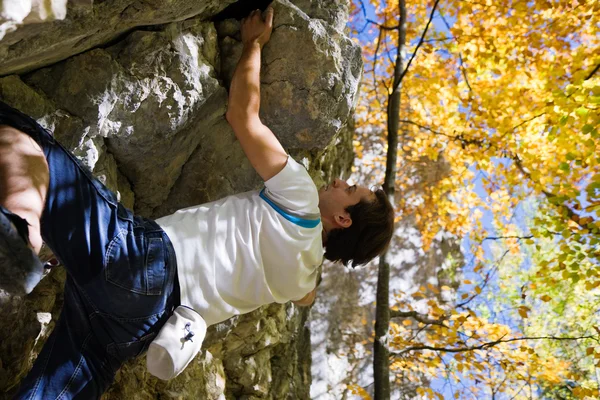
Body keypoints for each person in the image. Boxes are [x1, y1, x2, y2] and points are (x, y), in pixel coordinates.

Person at [0, 6, 394, 399]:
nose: (341, 181)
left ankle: (21, 237)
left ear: (342, 217)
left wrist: (253, 44)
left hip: (148, 269)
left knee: (26, 143)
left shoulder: (303, 198)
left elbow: (244, 116)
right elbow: (308, 296)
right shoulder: (301, 282)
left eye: (351, 189)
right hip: (137, 331)